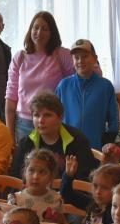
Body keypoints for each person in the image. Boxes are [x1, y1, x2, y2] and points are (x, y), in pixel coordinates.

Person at [5, 10, 76, 140]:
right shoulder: (19, 57)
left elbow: (83, 73)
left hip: (52, 122)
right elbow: (11, 97)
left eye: (45, 29)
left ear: (52, 33)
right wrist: (9, 135)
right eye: (36, 27)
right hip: (24, 123)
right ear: (30, 30)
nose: (39, 32)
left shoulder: (61, 55)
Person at [10, 91, 97, 181]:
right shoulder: (25, 143)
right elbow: (14, 177)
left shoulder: (78, 141)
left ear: (60, 117)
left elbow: (85, 179)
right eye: (36, 115)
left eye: (47, 115)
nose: (41, 121)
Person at [56, 38, 120, 150]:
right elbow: (55, 115)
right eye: (76, 58)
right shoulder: (64, 86)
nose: (80, 61)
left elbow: (114, 118)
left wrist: (108, 140)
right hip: (68, 149)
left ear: (95, 58)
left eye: (85, 56)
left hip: (95, 148)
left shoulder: (105, 86)